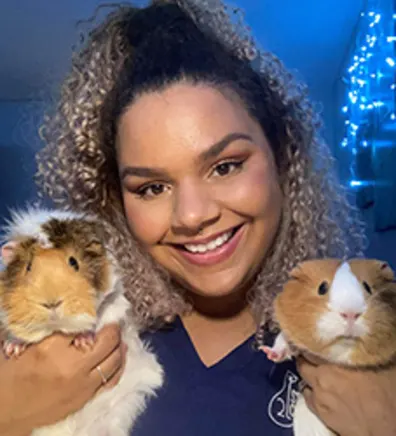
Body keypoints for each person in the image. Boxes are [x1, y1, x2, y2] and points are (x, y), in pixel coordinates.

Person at [1, 0, 396, 435]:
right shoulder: (58, 347)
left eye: (225, 166)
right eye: (152, 188)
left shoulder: (370, 347)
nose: (192, 215)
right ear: (116, 205)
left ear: (283, 157)